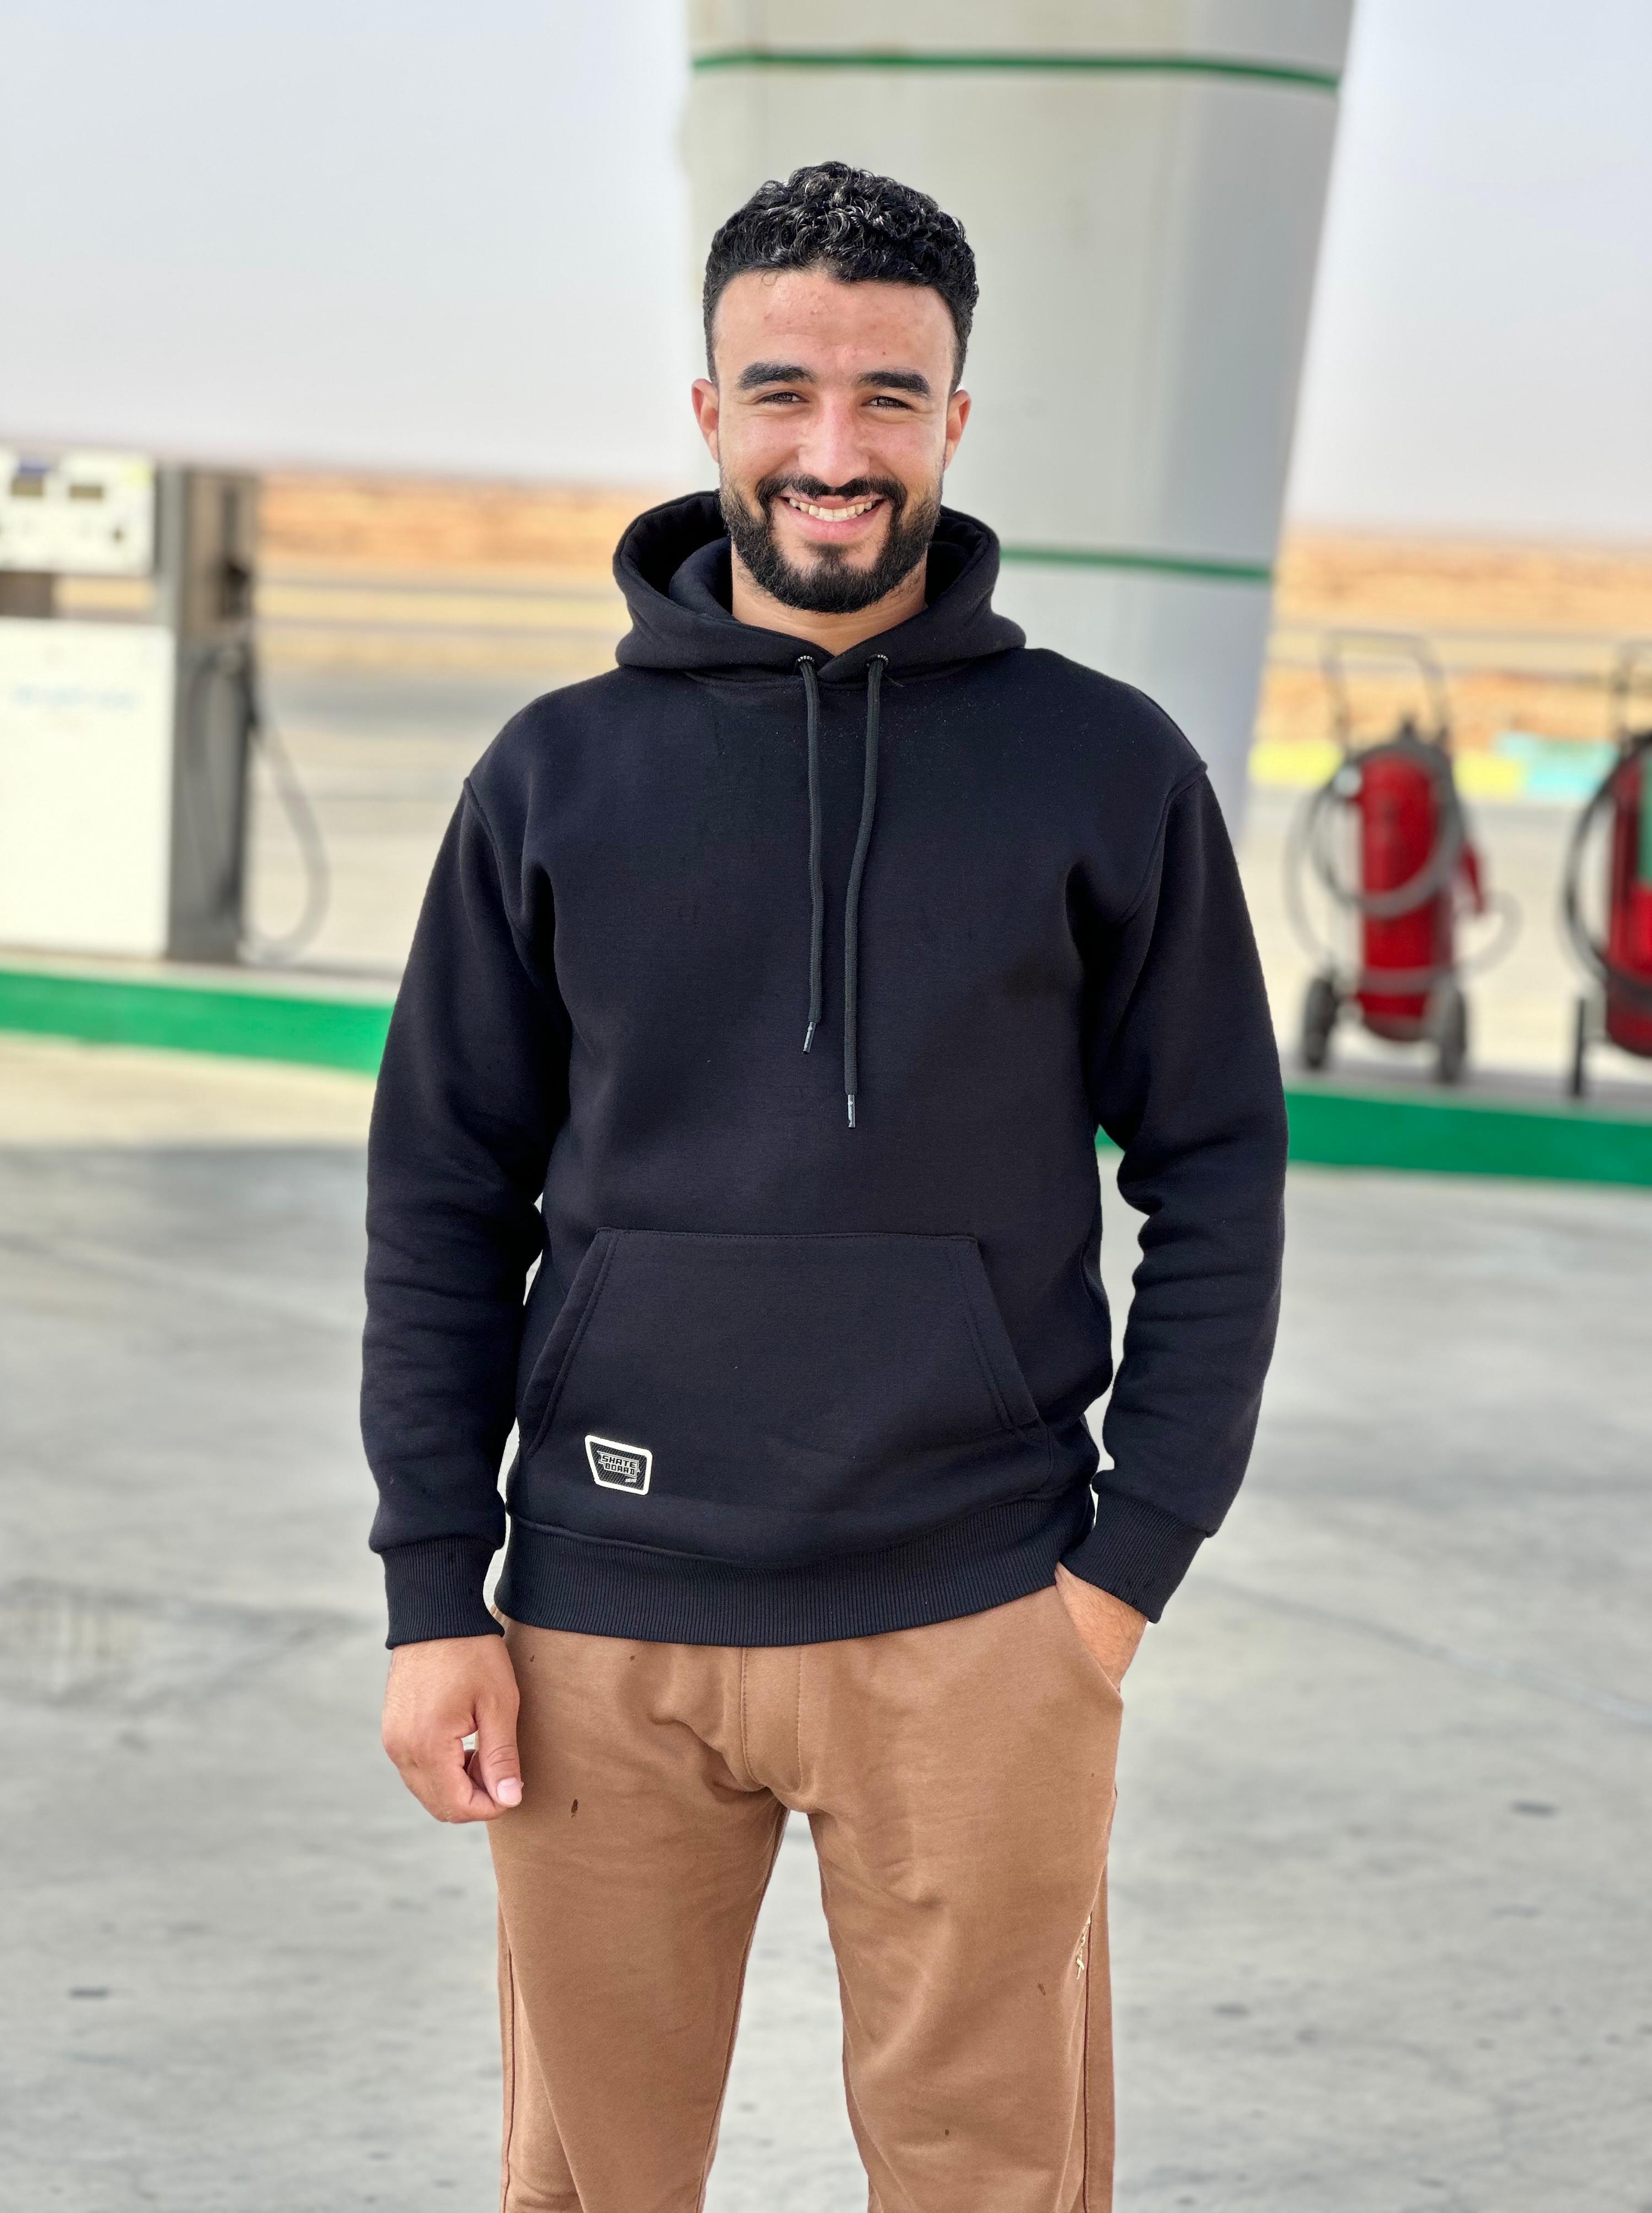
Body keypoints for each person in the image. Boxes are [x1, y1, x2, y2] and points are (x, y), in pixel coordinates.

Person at [363, 160, 1286, 2213]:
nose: (835, 449)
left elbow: (1218, 1166)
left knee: (994, 2179)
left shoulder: (1104, 766)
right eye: (784, 392)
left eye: (889, 396)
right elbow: (441, 1195)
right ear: (711, 412)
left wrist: (1124, 1571)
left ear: (957, 415)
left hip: (982, 1610)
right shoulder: (552, 776)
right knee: (588, 2187)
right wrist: (435, 1589)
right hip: (601, 1613)